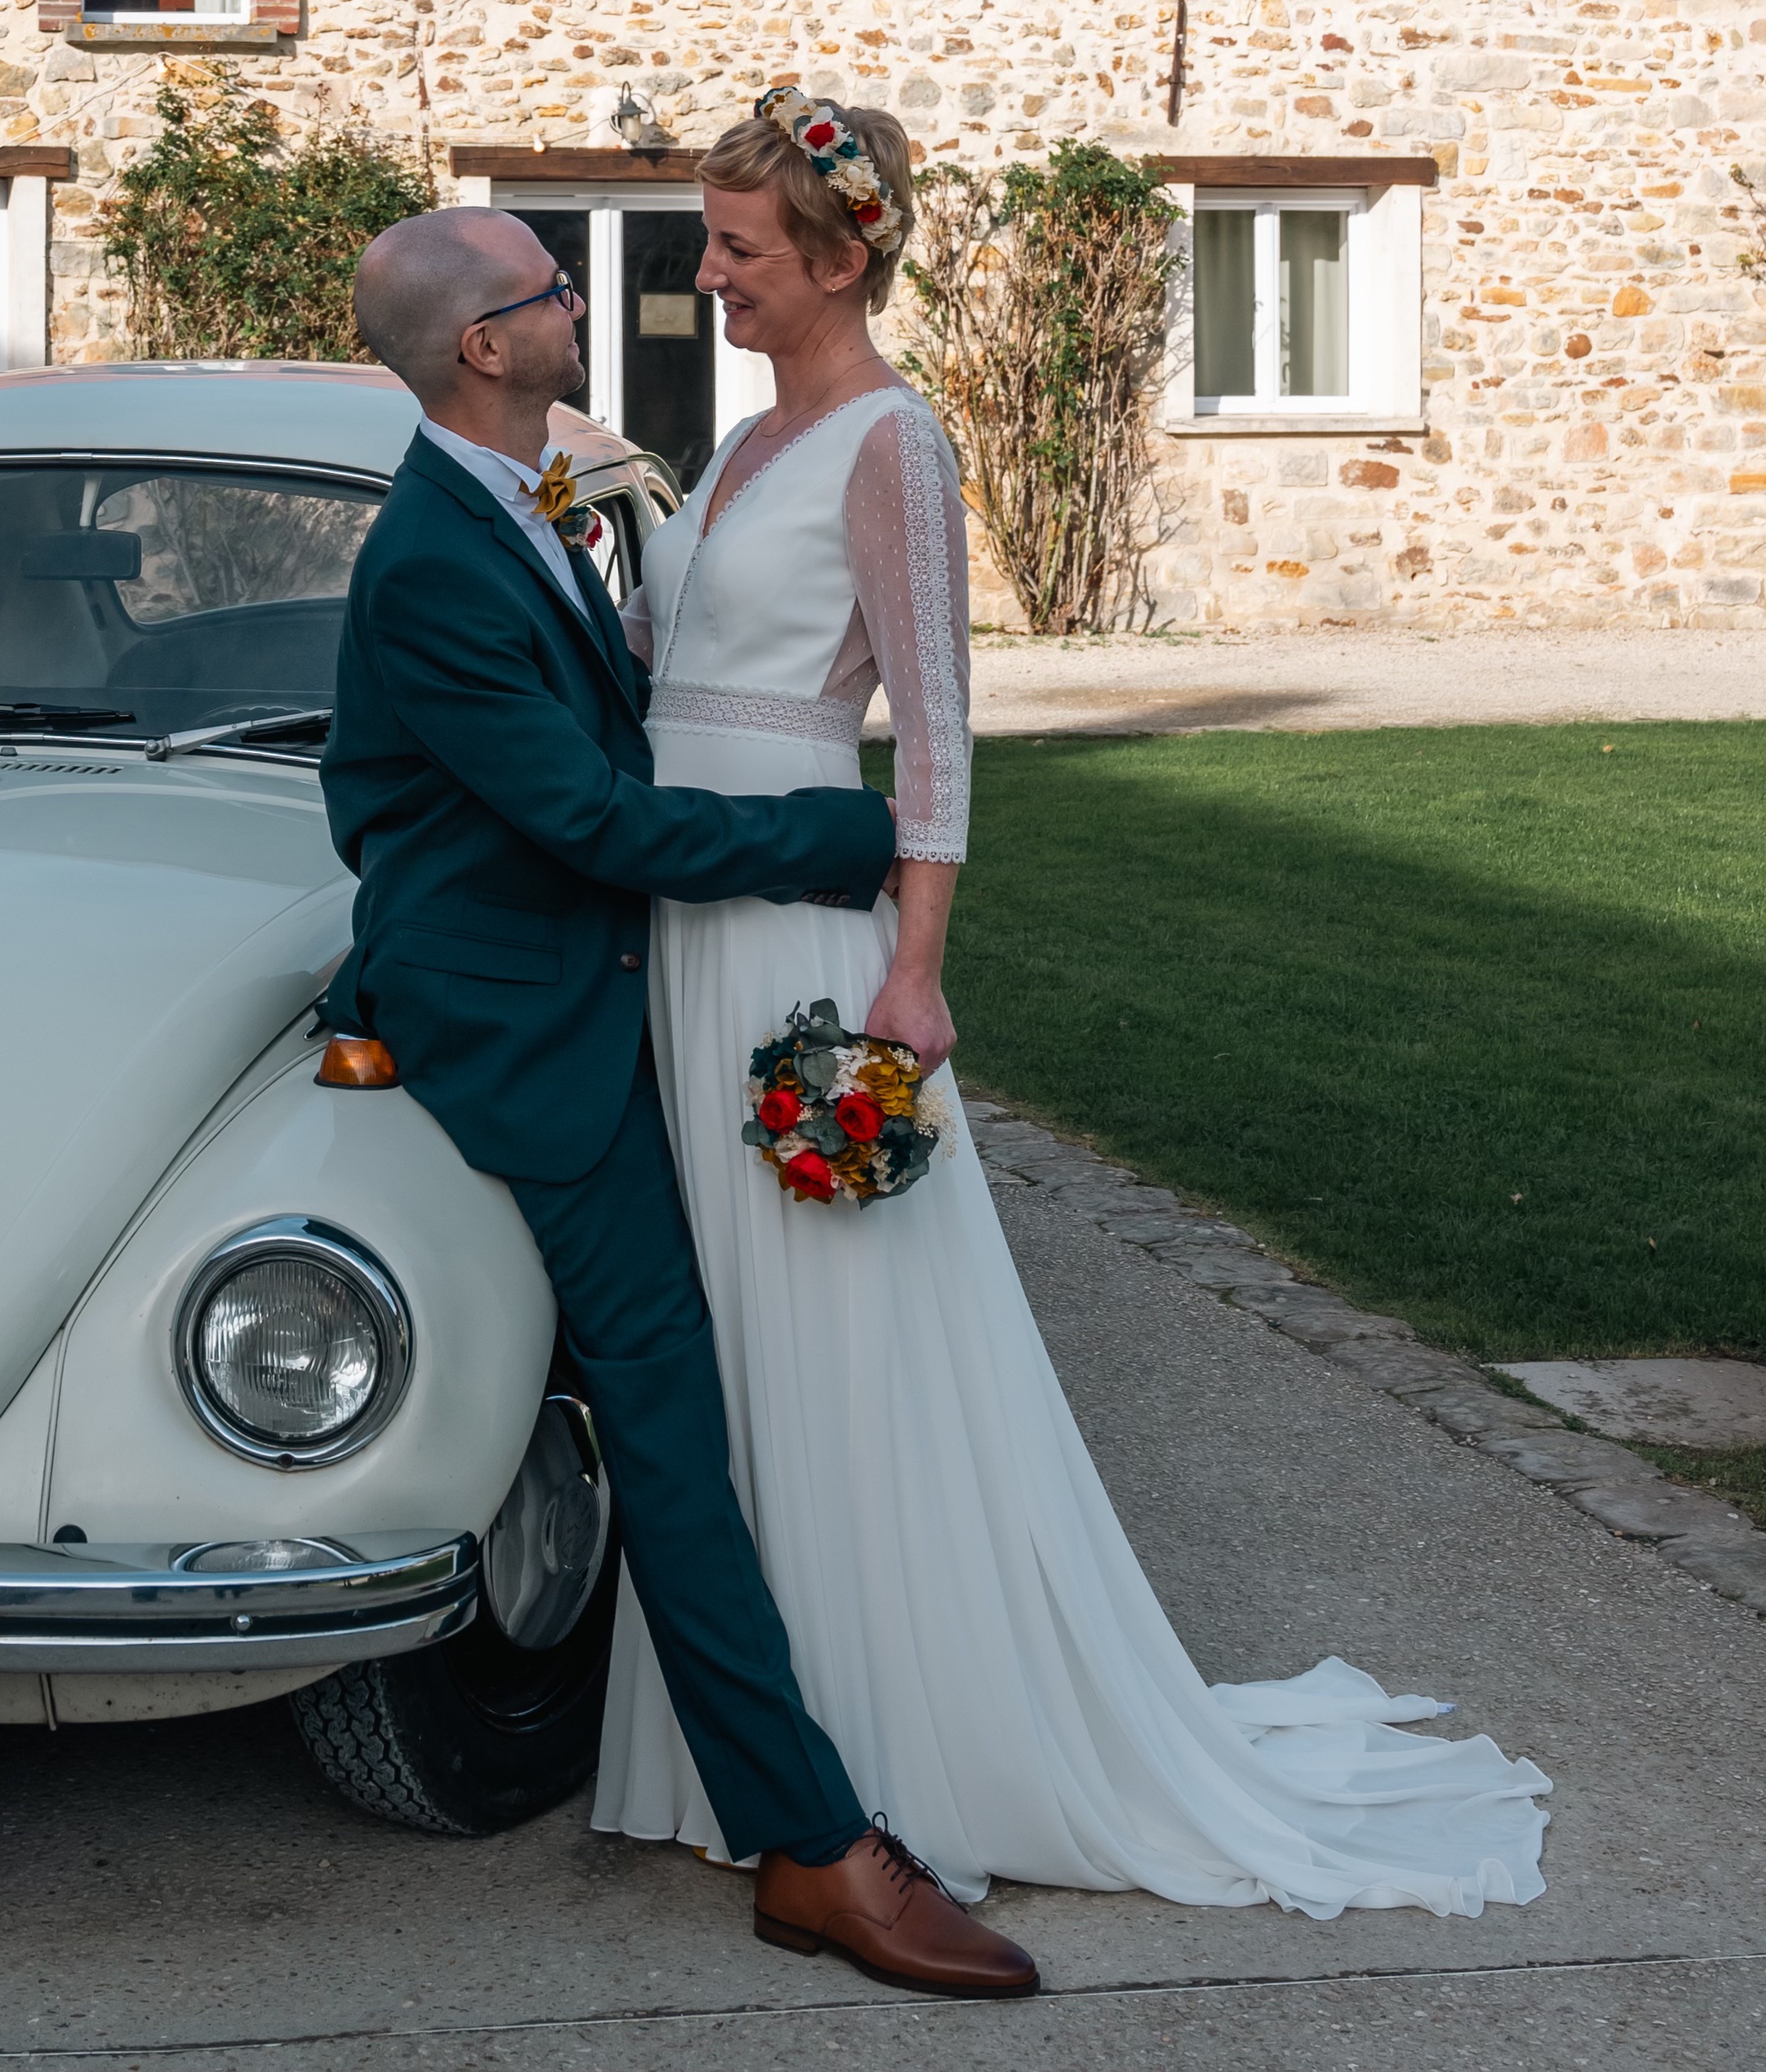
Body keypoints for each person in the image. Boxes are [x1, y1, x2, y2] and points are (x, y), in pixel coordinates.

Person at [591, 89, 1556, 1919]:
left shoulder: (894, 443)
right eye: (706, 244)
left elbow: (935, 730)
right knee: (720, 1341)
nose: (703, 275)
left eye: (734, 248)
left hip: (795, 939)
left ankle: (901, 1740)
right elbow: (660, 665)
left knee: (837, 1332)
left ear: (838, 259)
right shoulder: (730, 447)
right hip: (680, 916)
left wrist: (912, 967)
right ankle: (748, 1736)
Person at [324, 206, 1042, 1998]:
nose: (591, 298)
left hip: (639, 971)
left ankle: (811, 1779)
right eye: (552, 288)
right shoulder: (434, 555)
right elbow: (585, 818)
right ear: (485, 346)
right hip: (529, 1015)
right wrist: (831, 835)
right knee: (661, 1406)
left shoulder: (529, 494)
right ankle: (810, 1842)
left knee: (702, 1378)